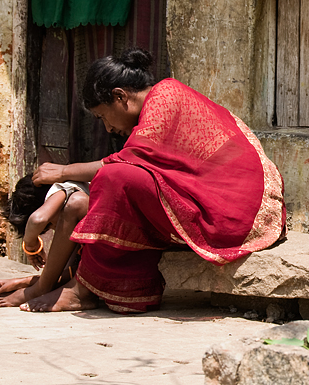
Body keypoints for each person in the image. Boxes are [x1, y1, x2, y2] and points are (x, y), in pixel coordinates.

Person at [20, 48, 286, 312]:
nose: (108, 128)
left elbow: (125, 161)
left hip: (233, 213)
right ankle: (66, 283)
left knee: (114, 177)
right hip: (228, 204)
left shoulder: (165, 95)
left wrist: (63, 172)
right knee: (98, 193)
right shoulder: (159, 102)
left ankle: (82, 291)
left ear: (120, 96)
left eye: (103, 116)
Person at [0, 176, 89, 307]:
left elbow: (37, 219)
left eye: (51, 223)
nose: (55, 228)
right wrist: (24, 282)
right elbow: (72, 272)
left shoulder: (67, 190)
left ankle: (40, 288)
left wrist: (30, 244)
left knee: (76, 204)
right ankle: (40, 286)